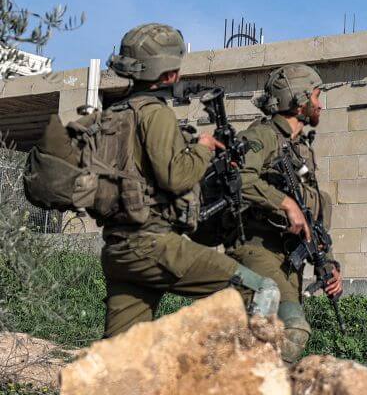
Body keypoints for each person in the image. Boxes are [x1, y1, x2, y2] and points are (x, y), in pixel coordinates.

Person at [101, 23, 280, 337]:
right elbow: (176, 177)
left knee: (120, 353)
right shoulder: (155, 113)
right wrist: (203, 148)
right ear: (170, 74)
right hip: (153, 246)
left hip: (118, 249)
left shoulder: (114, 112)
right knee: (261, 290)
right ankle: (240, 381)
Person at [227, 63, 343, 364]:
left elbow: (312, 213)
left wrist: (328, 264)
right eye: (316, 96)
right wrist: (284, 203)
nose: (320, 104)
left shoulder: (301, 150)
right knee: (293, 329)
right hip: (256, 249)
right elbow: (238, 178)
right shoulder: (262, 136)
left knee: (272, 342)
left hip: (288, 259)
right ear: (299, 99)